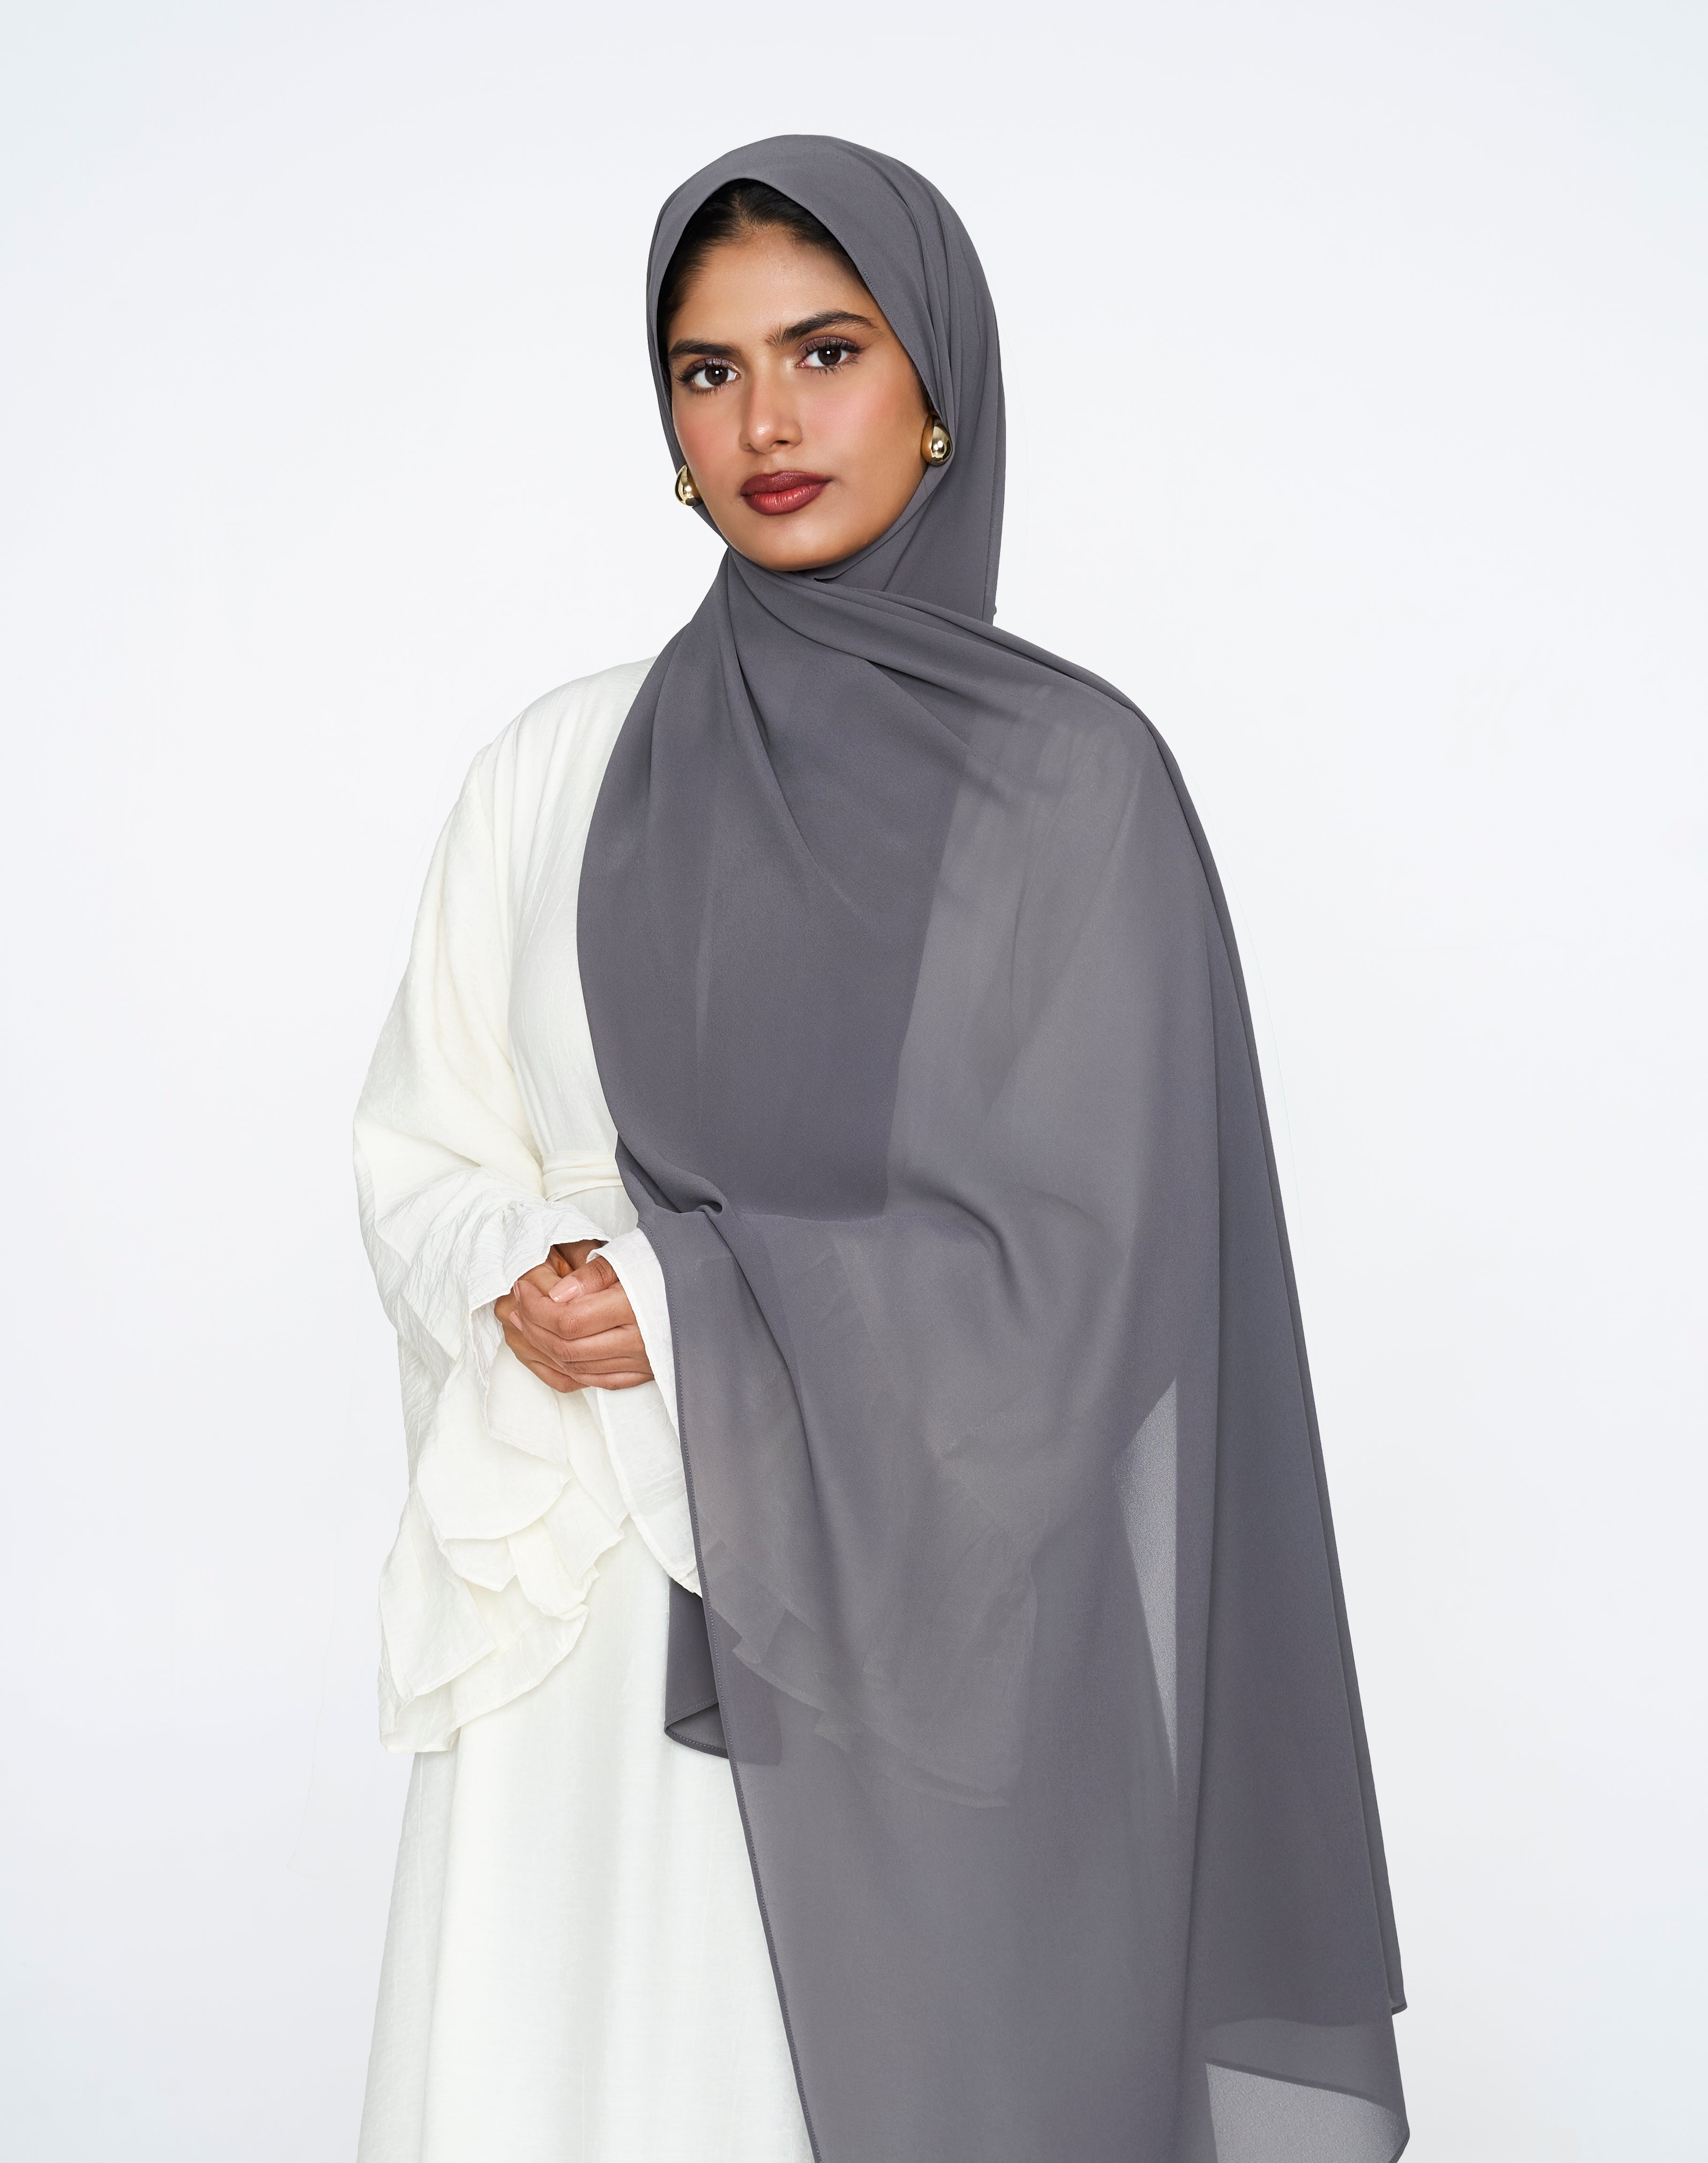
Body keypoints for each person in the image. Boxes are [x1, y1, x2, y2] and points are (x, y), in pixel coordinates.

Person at [354, 136, 1407, 2163]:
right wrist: (515, 1265)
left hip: (926, 1664)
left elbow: (1098, 1268)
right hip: (586, 1648)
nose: (766, 420)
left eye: (825, 351)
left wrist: (686, 1300)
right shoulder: (557, 767)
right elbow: (426, 1138)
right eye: (709, 369)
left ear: (939, 389)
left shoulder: (1070, 788)